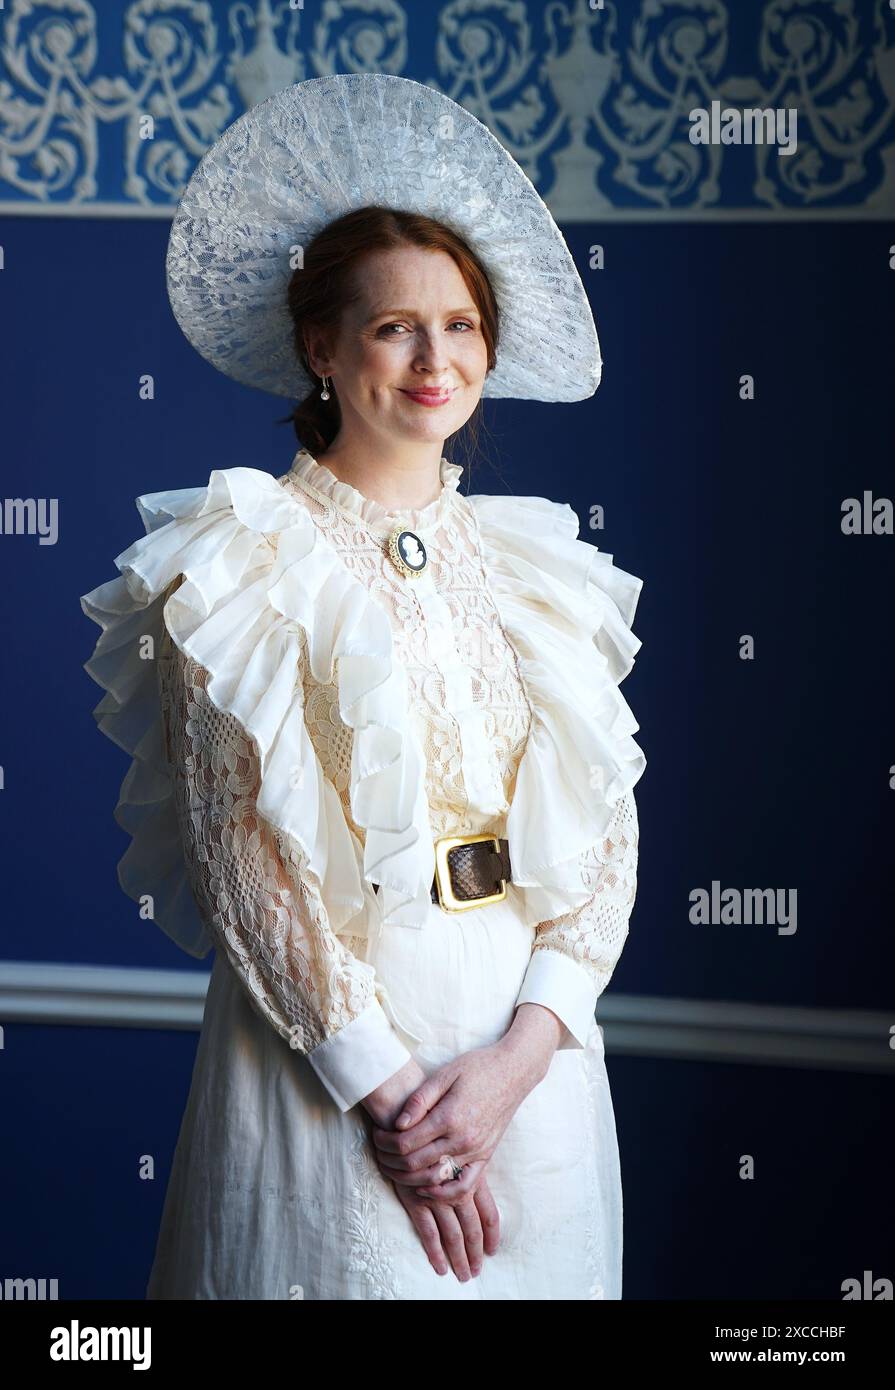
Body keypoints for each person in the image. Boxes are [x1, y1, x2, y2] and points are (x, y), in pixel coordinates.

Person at [80, 73, 646, 1300]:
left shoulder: (540, 566)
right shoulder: (235, 559)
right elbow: (243, 860)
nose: (435, 358)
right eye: (394, 326)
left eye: (459, 324)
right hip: (332, 1072)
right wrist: (393, 1103)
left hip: (528, 1068)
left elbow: (605, 834)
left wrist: (518, 1061)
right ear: (322, 349)